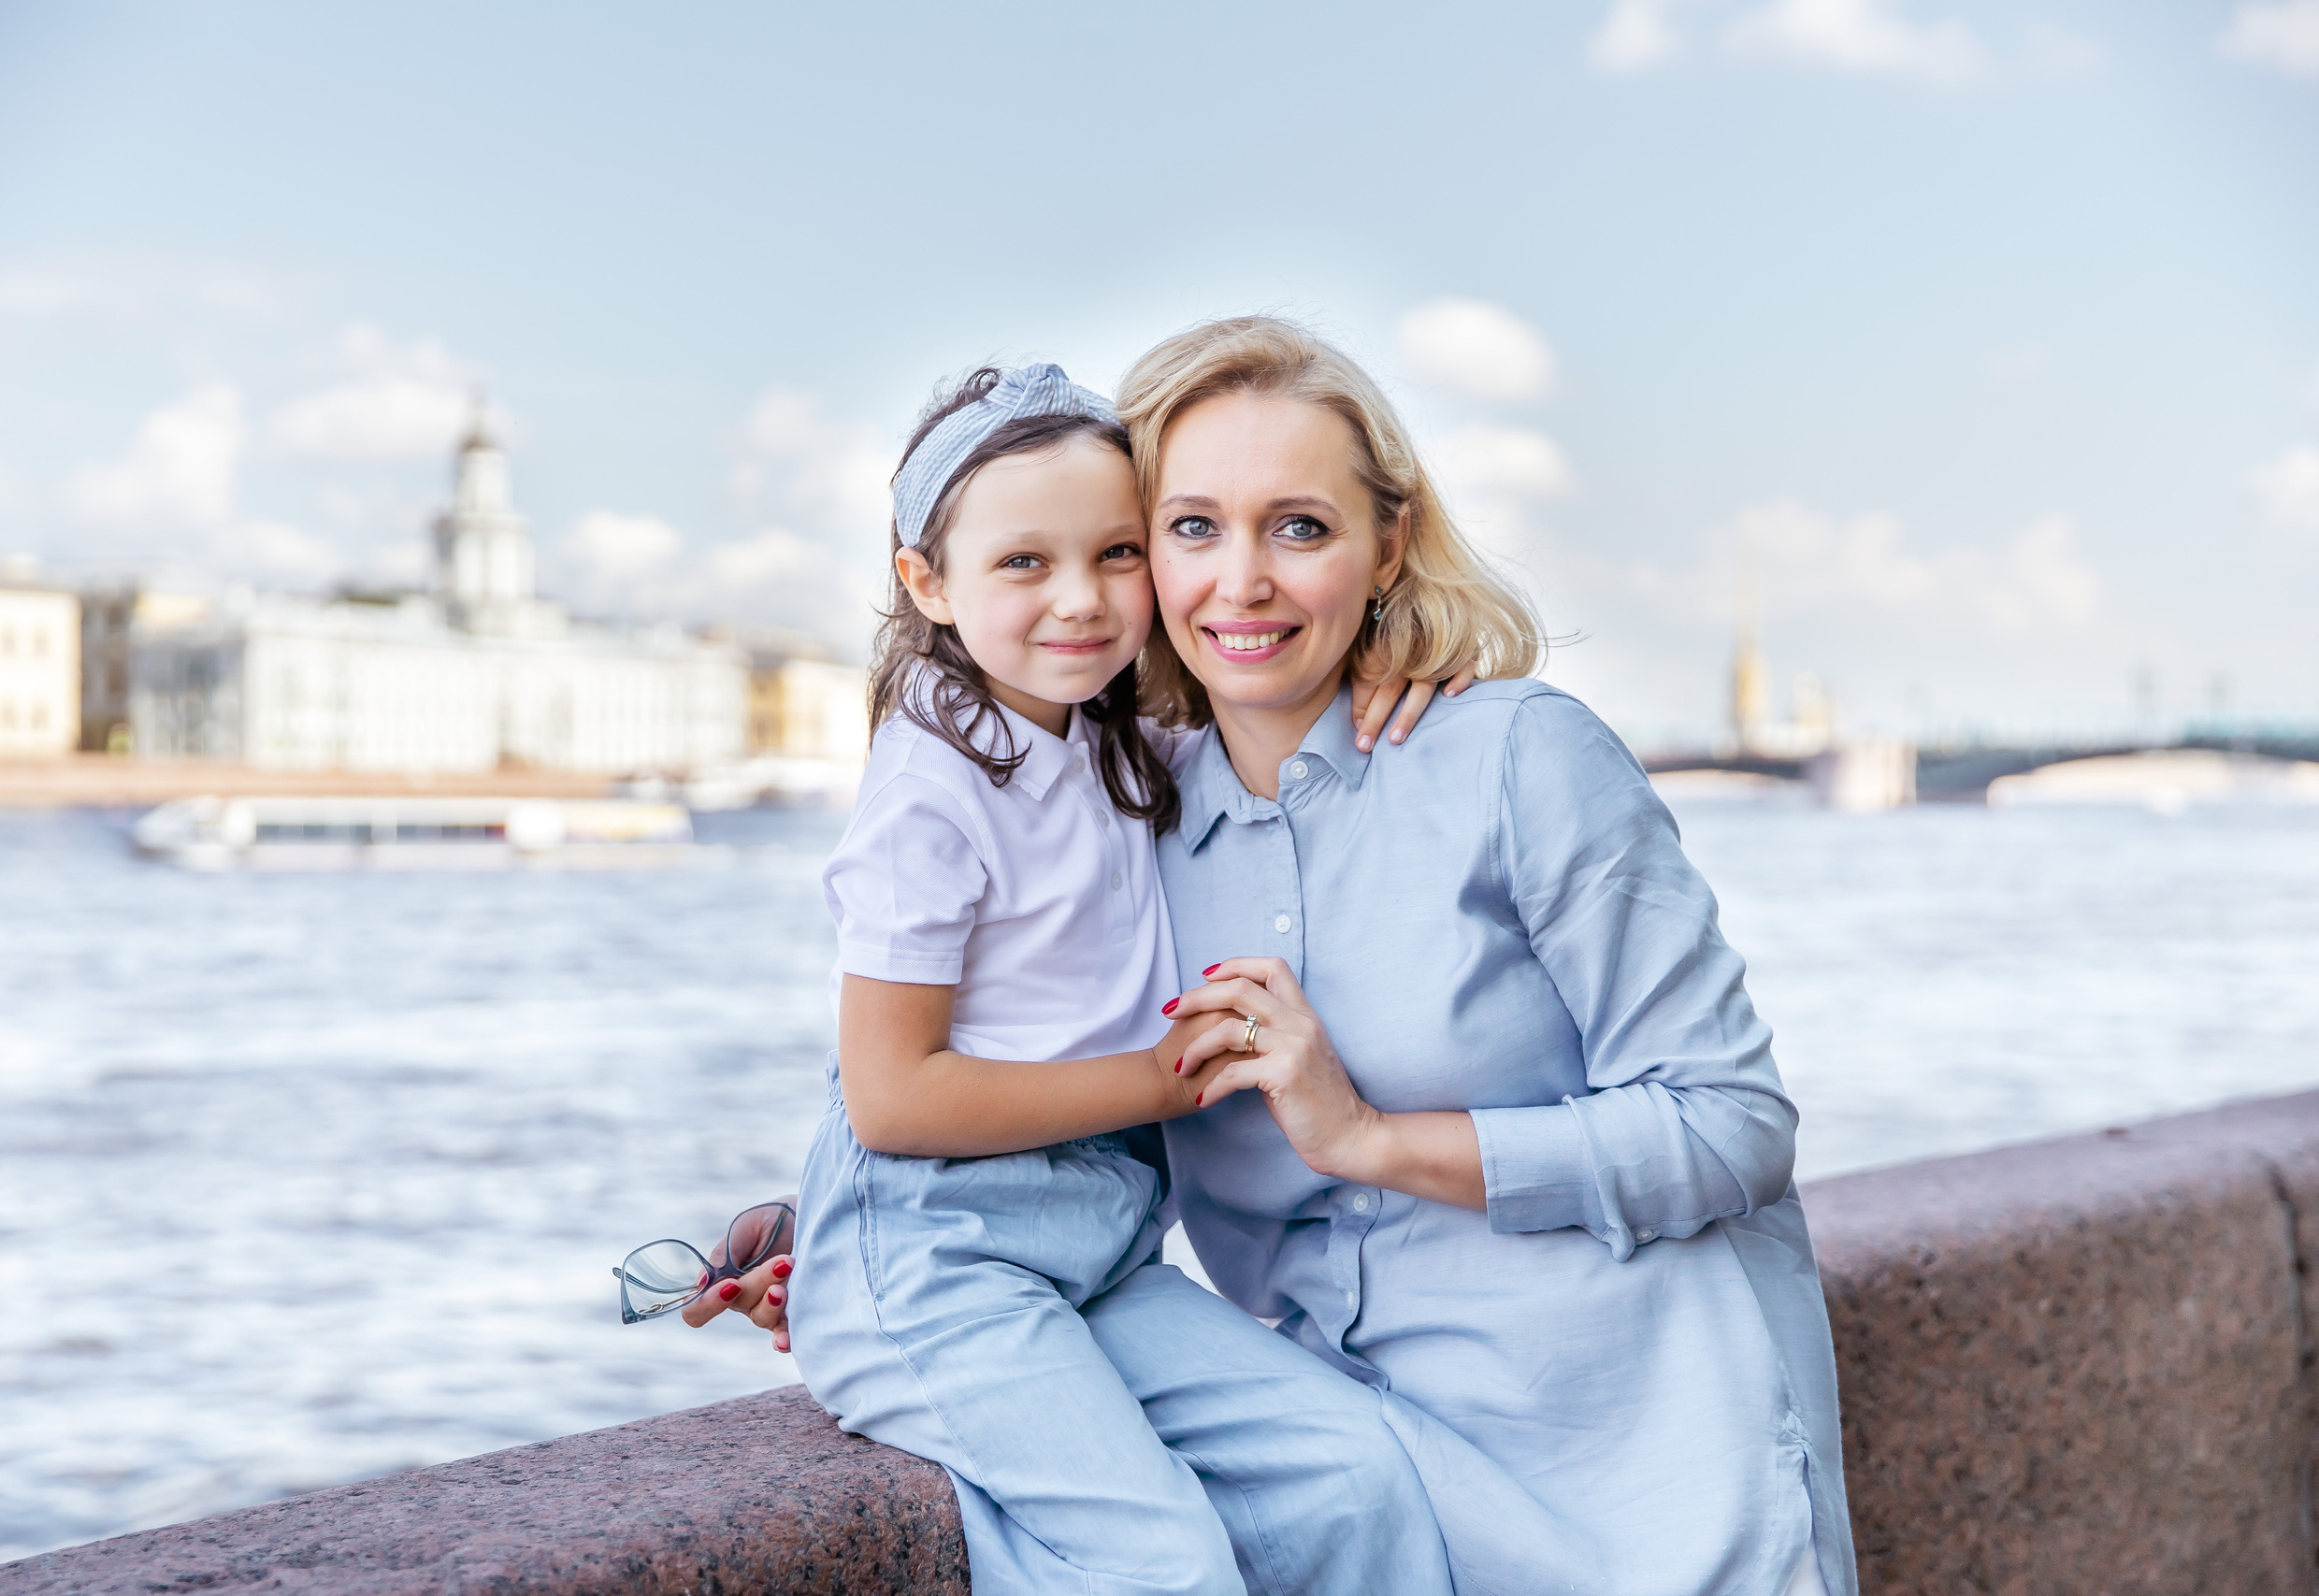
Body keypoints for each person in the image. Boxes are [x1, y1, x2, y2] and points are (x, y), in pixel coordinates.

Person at [1130, 317, 1853, 1596]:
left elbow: (1735, 1124)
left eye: (1299, 527)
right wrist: (866, 1228)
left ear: (1387, 543)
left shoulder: (1519, 757)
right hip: (1368, 1498)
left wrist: (1368, 1137)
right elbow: (1077, 1128)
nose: (1240, 582)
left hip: (1653, 1479)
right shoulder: (1126, 833)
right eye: (1193, 528)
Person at [742, 363, 1459, 1596]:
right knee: (1160, 1562)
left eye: (1118, 554)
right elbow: (891, 1103)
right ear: (927, 581)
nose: (1080, 601)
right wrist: (1164, 1082)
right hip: (938, 1268)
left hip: (1102, 1252)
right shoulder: (929, 792)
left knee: (1361, 1474)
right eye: (1024, 563)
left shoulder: (1109, 733)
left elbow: (1281, 704)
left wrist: (1397, 664)